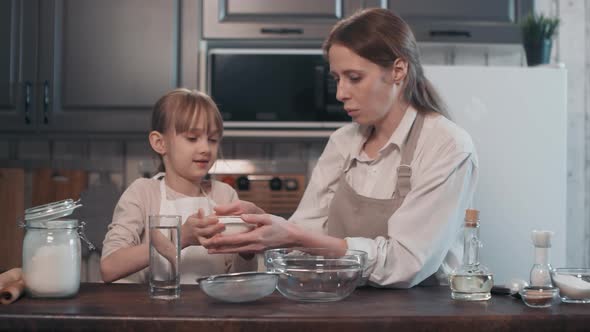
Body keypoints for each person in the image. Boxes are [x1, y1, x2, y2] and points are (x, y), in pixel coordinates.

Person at [205, 8, 479, 288]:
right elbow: (305, 234)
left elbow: (406, 263)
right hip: (342, 305)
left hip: (420, 315)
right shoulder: (343, 141)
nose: (340, 93)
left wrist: (294, 236)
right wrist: (263, 226)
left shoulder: (447, 146)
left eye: (354, 78)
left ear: (398, 70)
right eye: (337, 78)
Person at [100, 88, 255, 283]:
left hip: (213, 311)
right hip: (156, 310)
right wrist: (180, 238)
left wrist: (247, 253)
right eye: (192, 138)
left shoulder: (224, 195)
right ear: (160, 143)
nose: (206, 148)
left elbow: (239, 281)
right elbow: (109, 267)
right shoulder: (143, 193)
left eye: (213, 139)